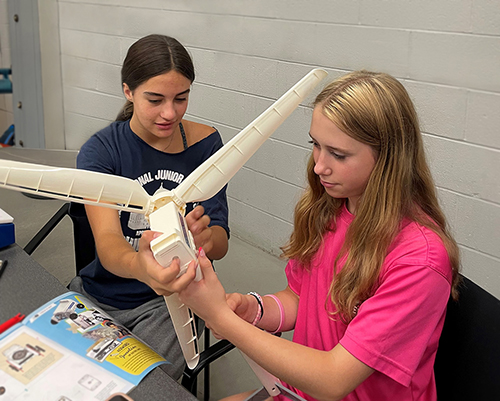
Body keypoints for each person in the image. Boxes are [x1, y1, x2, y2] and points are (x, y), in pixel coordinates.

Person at [170, 70, 460, 400]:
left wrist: (221, 318)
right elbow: (300, 299)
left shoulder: (419, 259)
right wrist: (255, 310)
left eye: (338, 154)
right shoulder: (331, 208)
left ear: (388, 158)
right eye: (316, 146)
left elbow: (333, 379)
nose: (320, 166)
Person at [68, 34, 229, 380]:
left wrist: (203, 240)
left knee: (136, 386)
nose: (169, 113)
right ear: (128, 91)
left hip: (174, 301)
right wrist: (143, 268)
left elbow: (221, 242)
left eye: (181, 98)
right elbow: (109, 245)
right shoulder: (100, 151)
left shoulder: (207, 145)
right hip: (102, 295)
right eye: (154, 100)